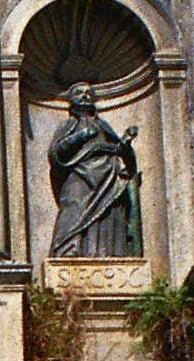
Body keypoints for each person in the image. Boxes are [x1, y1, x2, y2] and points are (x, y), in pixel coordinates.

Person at [47, 84, 142, 258]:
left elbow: (120, 150)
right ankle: (68, 249)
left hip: (108, 175)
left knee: (108, 213)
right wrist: (80, 135)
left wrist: (125, 143)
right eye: (79, 93)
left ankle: (107, 252)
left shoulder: (102, 124)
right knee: (74, 209)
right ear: (71, 99)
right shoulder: (69, 124)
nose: (84, 96)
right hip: (80, 175)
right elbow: (56, 152)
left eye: (88, 93)